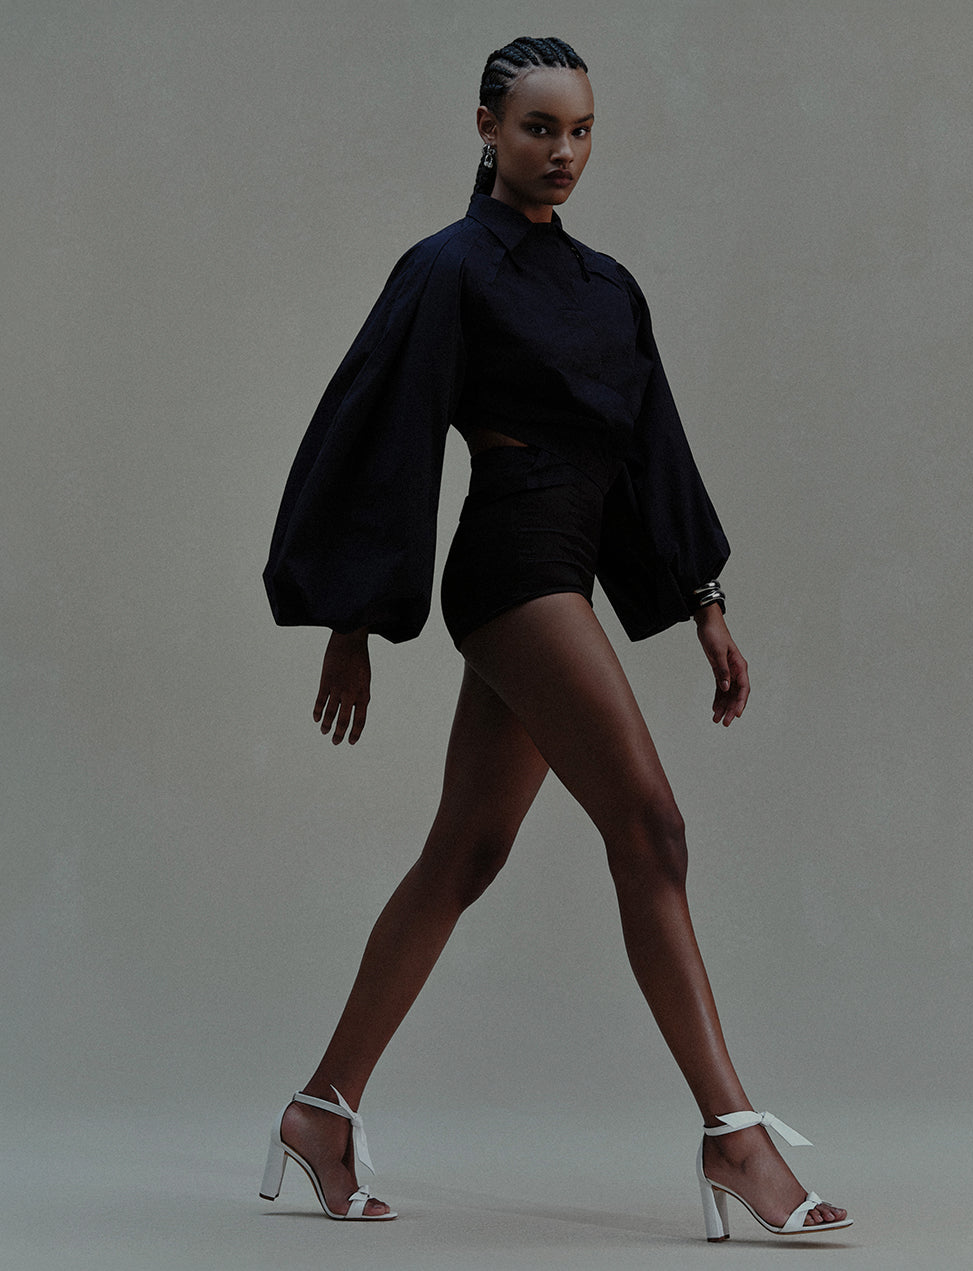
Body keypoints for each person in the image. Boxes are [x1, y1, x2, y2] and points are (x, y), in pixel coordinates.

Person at [259, 36, 850, 1241]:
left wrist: (705, 602)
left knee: (466, 853)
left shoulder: (608, 288)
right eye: (538, 128)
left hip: (566, 567)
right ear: (485, 127)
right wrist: (352, 622)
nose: (563, 151)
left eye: (580, 130)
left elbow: (651, 448)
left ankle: (321, 1107)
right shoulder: (447, 269)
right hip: (512, 567)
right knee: (655, 823)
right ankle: (733, 1135)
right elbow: (378, 424)